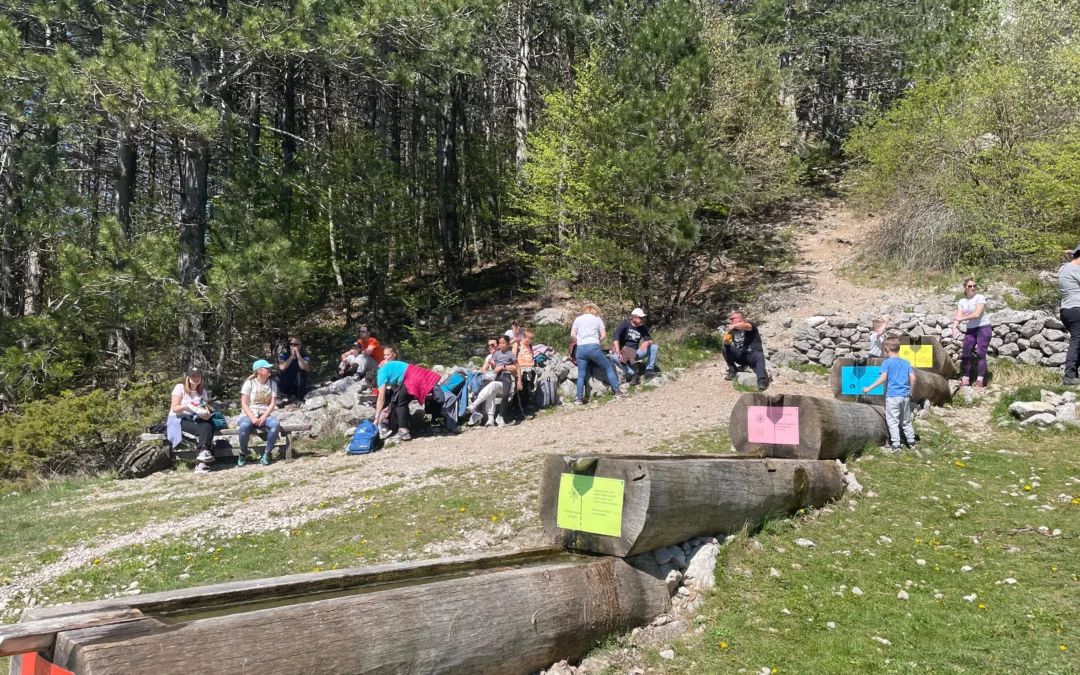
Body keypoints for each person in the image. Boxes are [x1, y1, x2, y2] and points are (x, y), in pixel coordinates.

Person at [373, 346, 442, 442]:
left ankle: (403, 431)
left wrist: (376, 418)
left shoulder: (381, 374)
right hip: (416, 374)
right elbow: (396, 391)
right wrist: (389, 406)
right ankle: (404, 427)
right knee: (399, 401)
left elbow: (381, 399)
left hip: (412, 378)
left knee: (400, 404)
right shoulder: (388, 369)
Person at [862, 337, 917, 451]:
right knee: (905, 420)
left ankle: (896, 444)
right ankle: (911, 442)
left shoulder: (886, 363)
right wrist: (911, 391)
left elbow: (883, 377)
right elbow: (913, 378)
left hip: (893, 396)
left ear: (886, 349)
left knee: (892, 420)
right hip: (905, 396)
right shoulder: (906, 362)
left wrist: (869, 388)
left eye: (883, 351)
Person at [570, 303, 626, 404]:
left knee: (581, 374)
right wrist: (597, 341)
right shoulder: (597, 319)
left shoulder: (578, 319)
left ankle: (579, 398)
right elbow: (604, 336)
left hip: (581, 348)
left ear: (585, 310)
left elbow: (572, 334)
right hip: (593, 347)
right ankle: (617, 391)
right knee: (608, 367)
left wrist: (580, 340)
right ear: (595, 311)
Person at [169, 367, 215, 474]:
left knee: (209, 423)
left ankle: (203, 453)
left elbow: (206, 408)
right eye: (193, 376)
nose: (196, 378)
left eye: (198, 375)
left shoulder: (202, 391)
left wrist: (206, 414)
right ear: (188, 378)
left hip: (194, 418)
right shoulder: (180, 388)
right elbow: (175, 408)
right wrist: (188, 406)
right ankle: (202, 460)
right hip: (178, 419)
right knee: (202, 431)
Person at [238, 359, 280, 466]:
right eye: (267, 368)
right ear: (259, 371)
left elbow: (272, 403)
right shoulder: (249, 384)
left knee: (275, 424)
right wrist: (253, 418)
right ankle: (243, 452)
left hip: (264, 413)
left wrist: (265, 416)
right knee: (244, 425)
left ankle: (267, 453)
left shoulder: (272, 384)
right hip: (249, 413)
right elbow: (244, 404)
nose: (270, 370)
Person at [952, 278, 992, 387]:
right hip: (971, 329)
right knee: (965, 354)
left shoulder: (979, 298)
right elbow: (958, 316)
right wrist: (954, 327)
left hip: (983, 328)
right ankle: (965, 379)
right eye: (970, 286)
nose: (972, 288)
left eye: (974, 286)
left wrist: (960, 320)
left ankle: (980, 380)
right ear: (965, 288)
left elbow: (976, 314)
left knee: (981, 353)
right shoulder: (962, 302)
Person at [721, 310, 769, 390]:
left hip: (753, 355)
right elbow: (727, 340)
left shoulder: (750, 325)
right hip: (741, 355)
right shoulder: (732, 331)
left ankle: (761, 381)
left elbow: (746, 326)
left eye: (733, 319)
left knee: (760, 355)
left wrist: (734, 326)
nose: (731, 321)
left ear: (739, 319)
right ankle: (733, 370)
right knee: (724, 348)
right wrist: (726, 341)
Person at [612, 308, 659, 385]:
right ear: (634, 317)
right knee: (614, 357)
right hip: (624, 352)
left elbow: (650, 340)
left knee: (654, 347)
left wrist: (647, 342)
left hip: (635, 352)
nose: (642, 319)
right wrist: (617, 349)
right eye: (640, 318)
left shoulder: (642, 328)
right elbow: (616, 336)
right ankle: (633, 374)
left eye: (643, 318)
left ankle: (649, 371)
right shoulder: (625, 323)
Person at [1059, 244, 1080, 386]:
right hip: (1076, 309)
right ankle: (1069, 376)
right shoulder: (1075, 270)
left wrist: (1072, 253)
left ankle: (1073, 375)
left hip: (1067, 310)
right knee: (1077, 340)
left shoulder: (1064, 268)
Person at [277, 337, 309, 403]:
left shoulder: (304, 356)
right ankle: (279, 397)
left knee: (301, 372)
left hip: (298, 384)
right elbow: (282, 367)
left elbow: (303, 367)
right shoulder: (284, 355)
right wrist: (291, 356)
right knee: (278, 373)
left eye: (296, 344)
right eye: (291, 344)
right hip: (286, 382)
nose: (293, 346)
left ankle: (300, 398)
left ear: (300, 345)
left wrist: (298, 355)